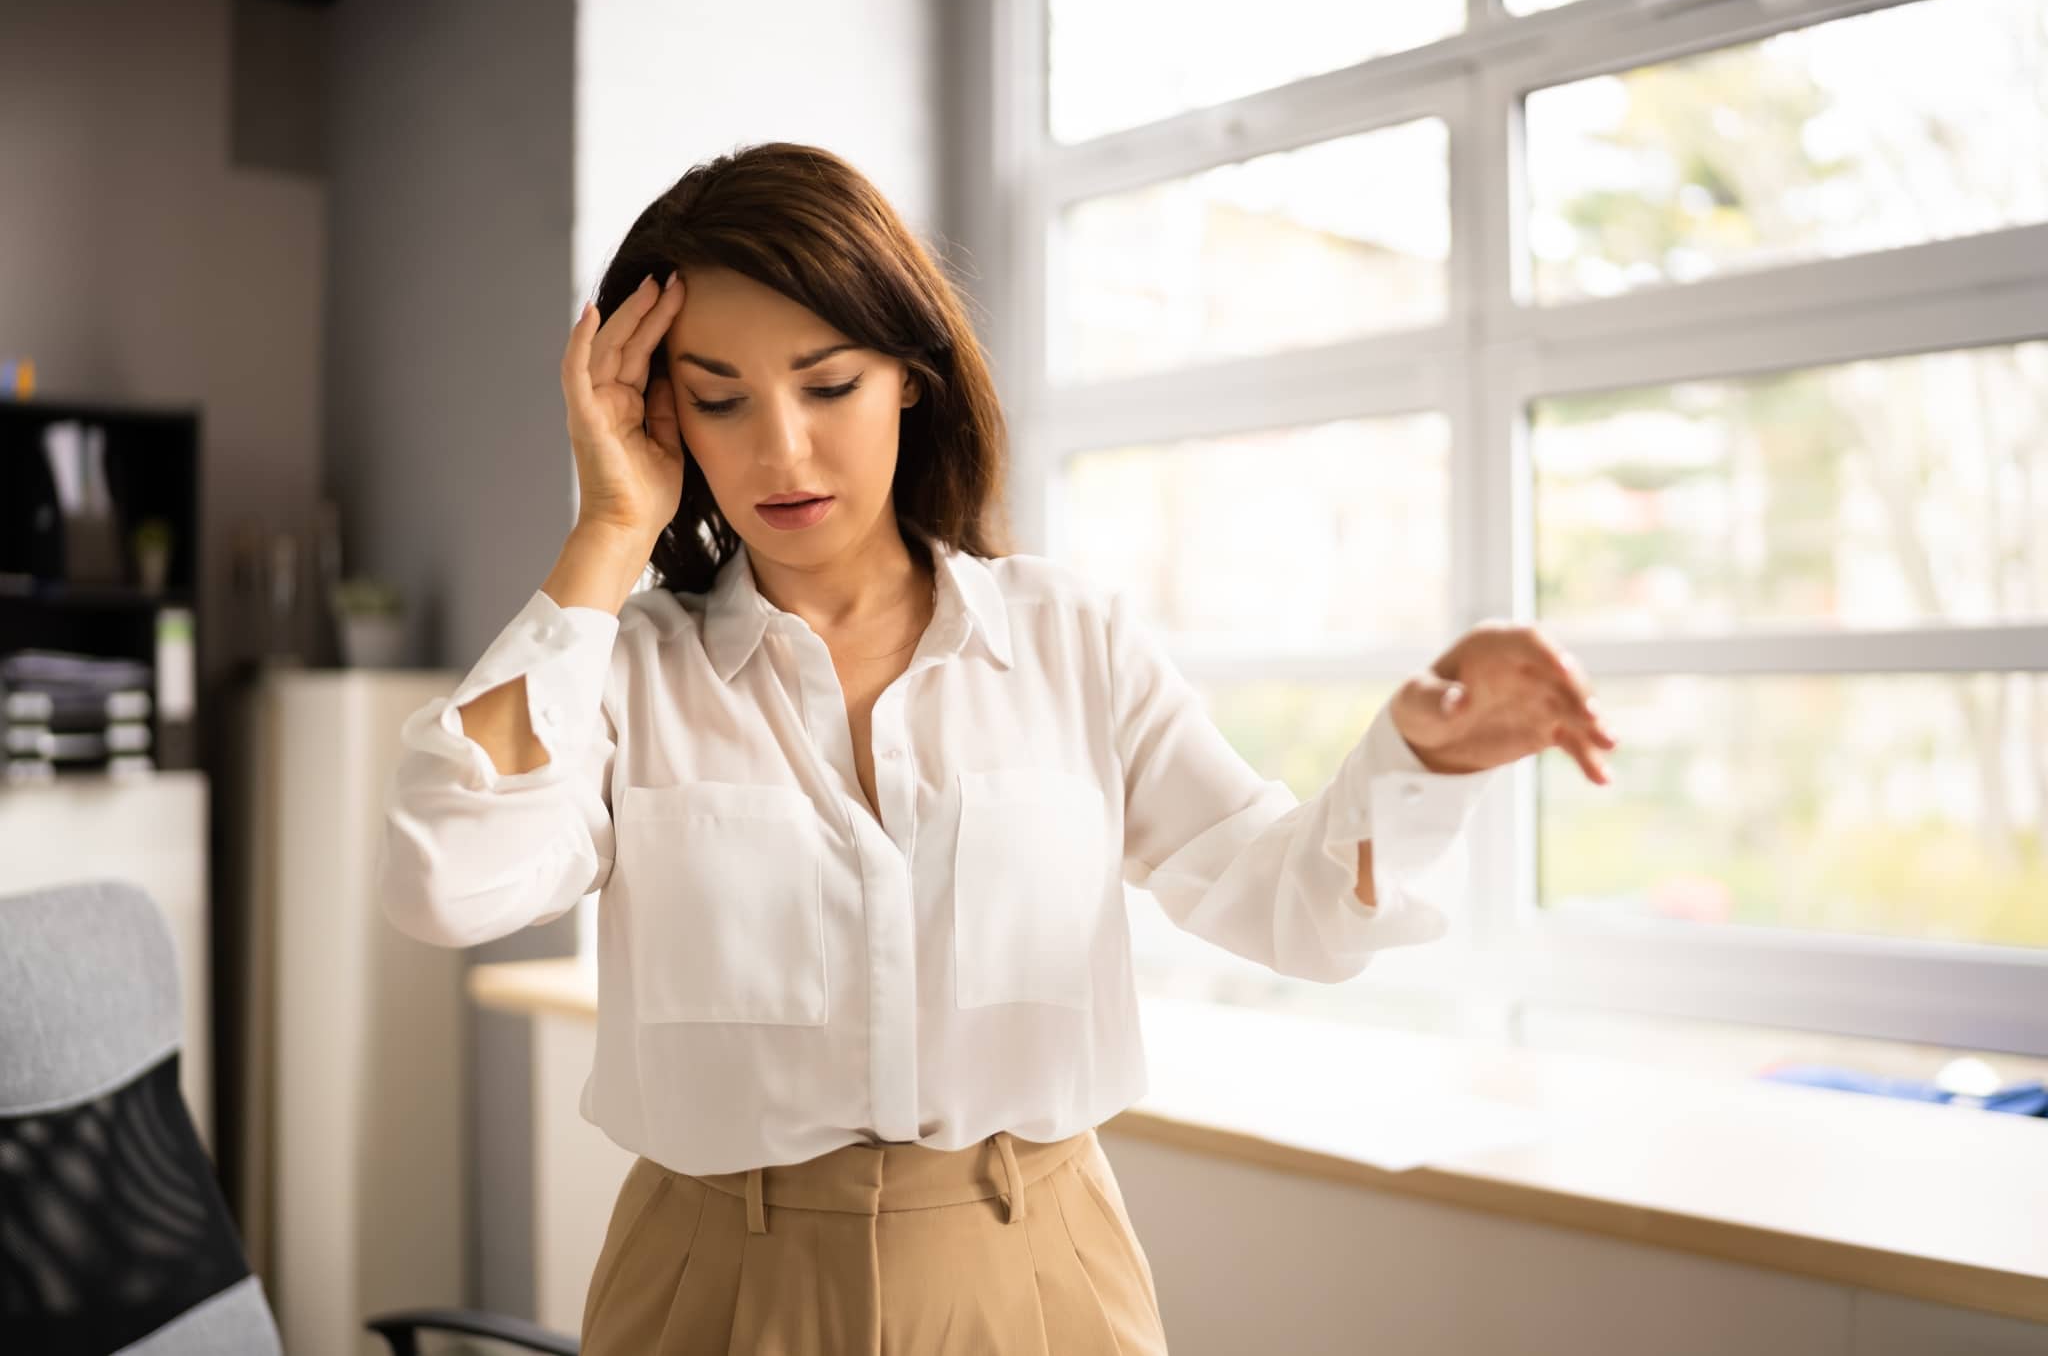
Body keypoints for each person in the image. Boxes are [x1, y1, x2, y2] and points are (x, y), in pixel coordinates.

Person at [375, 141, 1618, 1356]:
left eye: (826, 384)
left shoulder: (1070, 643)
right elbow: (446, 880)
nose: (781, 451)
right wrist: (603, 532)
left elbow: (1296, 910)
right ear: (660, 413)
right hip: (708, 1279)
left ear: (909, 375)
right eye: (718, 399)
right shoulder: (629, 670)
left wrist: (1417, 763)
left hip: (1032, 1274)